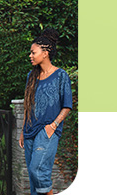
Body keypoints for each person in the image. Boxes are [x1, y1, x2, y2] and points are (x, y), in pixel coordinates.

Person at [18, 29, 72, 195]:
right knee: (33, 179)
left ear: (45, 53)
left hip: (47, 130)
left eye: (33, 52)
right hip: (30, 130)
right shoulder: (31, 76)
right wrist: (23, 131)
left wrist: (53, 126)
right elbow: (28, 106)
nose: (30, 56)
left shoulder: (61, 75)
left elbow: (67, 106)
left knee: (38, 170)